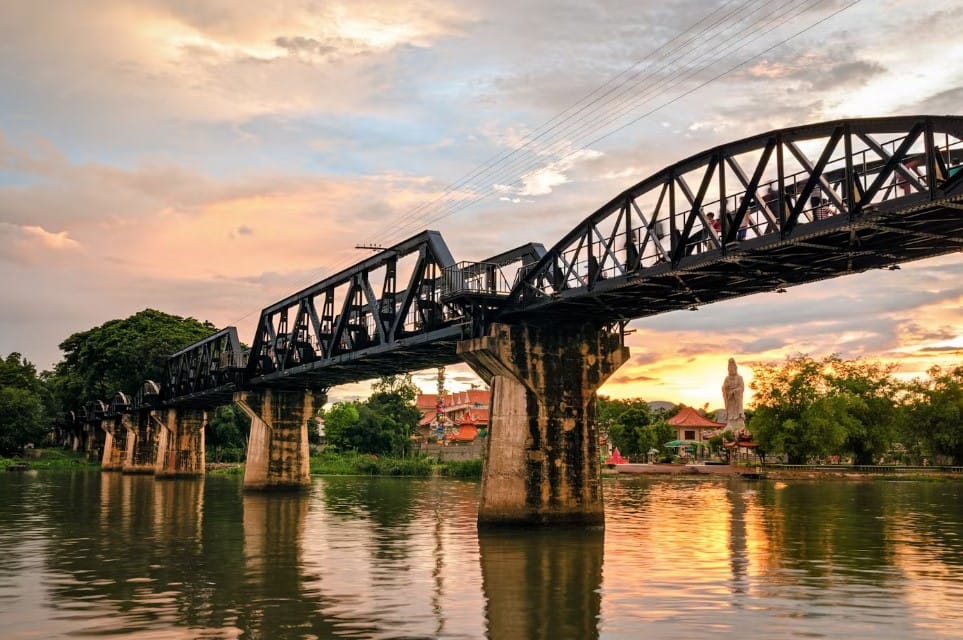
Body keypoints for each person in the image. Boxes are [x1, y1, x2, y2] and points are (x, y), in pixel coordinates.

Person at [722, 357, 745, 431]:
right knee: (730, 410)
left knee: (737, 411)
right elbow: (723, 388)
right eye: (729, 368)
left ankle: (739, 421)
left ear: (735, 368)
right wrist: (726, 388)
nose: (731, 370)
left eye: (732, 368)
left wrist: (735, 391)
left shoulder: (739, 378)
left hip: (736, 398)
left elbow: (742, 388)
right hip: (729, 399)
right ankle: (730, 423)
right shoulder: (727, 378)